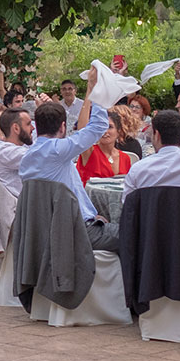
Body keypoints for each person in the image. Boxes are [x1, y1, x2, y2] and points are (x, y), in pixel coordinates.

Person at [22, 71, 118, 250]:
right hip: (76, 230)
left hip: (47, 229)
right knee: (134, 233)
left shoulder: (28, 156)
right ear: (63, 126)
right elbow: (98, 126)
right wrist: (98, 91)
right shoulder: (59, 151)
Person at [0, 108, 33, 200]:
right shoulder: (6, 152)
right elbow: (44, 158)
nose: (33, 128)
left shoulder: (6, 149)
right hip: (15, 211)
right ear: (16, 128)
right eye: (28, 124)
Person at [76, 111, 134, 183]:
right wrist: (88, 100)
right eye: (102, 127)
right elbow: (82, 132)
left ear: (118, 131)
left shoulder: (125, 158)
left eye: (110, 127)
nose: (105, 131)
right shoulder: (90, 152)